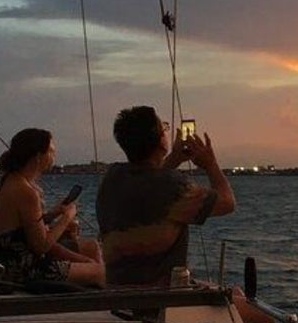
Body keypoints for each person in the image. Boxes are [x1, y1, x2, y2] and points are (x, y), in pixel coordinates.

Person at [97, 107, 235, 286]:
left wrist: (174, 159)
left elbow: (148, 184)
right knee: (246, 303)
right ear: (161, 141)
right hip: (162, 300)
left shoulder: (112, 177)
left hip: (119, 295)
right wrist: (210, 164)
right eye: (164, 127)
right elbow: (227, 203)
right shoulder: (174, 187)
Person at [0, 128, 105, 287]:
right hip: (19, 269)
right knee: (100, 272)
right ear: (38, 156)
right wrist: (67, 217)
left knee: (91, 248)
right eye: (51, 151)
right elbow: (41, 246)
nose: (54, 156)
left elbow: (19, 227)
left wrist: (52, 214)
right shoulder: (26, 192)